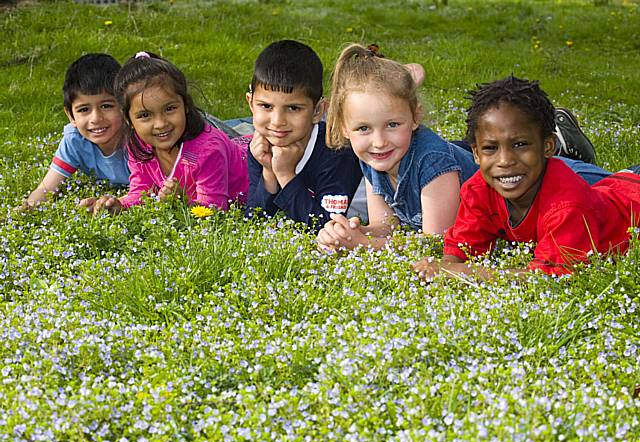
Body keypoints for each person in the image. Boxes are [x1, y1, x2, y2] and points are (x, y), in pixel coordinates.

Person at [413, 75, 640, 279]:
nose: (505, 161)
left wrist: (463, 272)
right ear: (475, 153)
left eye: (520, 144)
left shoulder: (568, 206)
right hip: (612, 188)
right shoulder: (478, 190)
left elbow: (548, 278)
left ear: (548, 146)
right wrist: (442, 270)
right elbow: (462, 248)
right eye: (490, 148)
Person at [316, 43, 478, 251]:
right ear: (344, 128)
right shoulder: (373, 158)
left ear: (415, 117)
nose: (380, 142)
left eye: (392, 125)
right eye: (364, 128)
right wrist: (348, 234)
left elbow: (436, 242)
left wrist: (365, 244)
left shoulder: (433, 162)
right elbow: (385, 226)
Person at [85, 51, 248, 215]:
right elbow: (141, 191)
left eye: (169, 109)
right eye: (145, 115)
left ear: (185, 104)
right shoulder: (140, 144)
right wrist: (119, 205)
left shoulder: (208, 151)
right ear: (128, 120)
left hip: (257, 167)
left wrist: (182, 203)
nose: (160, 124)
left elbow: (214, 211)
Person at [244, 40, 363, 230]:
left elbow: (325, 227)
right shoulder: (260, 147)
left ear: (317, 111)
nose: (277, 121)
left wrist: (285, 174)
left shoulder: (337, 151)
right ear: (251, 103)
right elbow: (255, 220)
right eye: (266, 106)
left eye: (293, 108)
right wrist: (269, 172)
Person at [18, 53, 129, 211]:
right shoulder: (75, 140)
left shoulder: (137, 138)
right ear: (71, 116)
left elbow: (153, 186)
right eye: (84, 109)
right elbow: (46, 189)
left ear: (123, 105)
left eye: (106, 106)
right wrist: (26, 208)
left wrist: (117, 202)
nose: (96, 118)